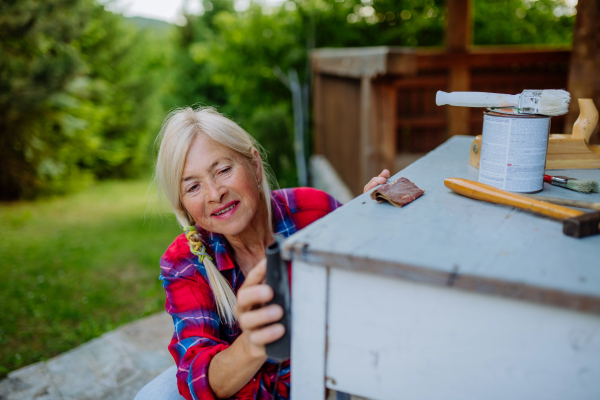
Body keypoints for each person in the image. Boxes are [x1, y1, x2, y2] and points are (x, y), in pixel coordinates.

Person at [135, 106, 390, 400]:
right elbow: (197, 380)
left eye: (223, 170)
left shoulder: (313, 212)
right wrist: (254, 342)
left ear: (254, 165)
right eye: (193, 187)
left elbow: (373, 295)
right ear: (183, 207)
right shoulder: (185, 261)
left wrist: (373, 229)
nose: (214, 193)